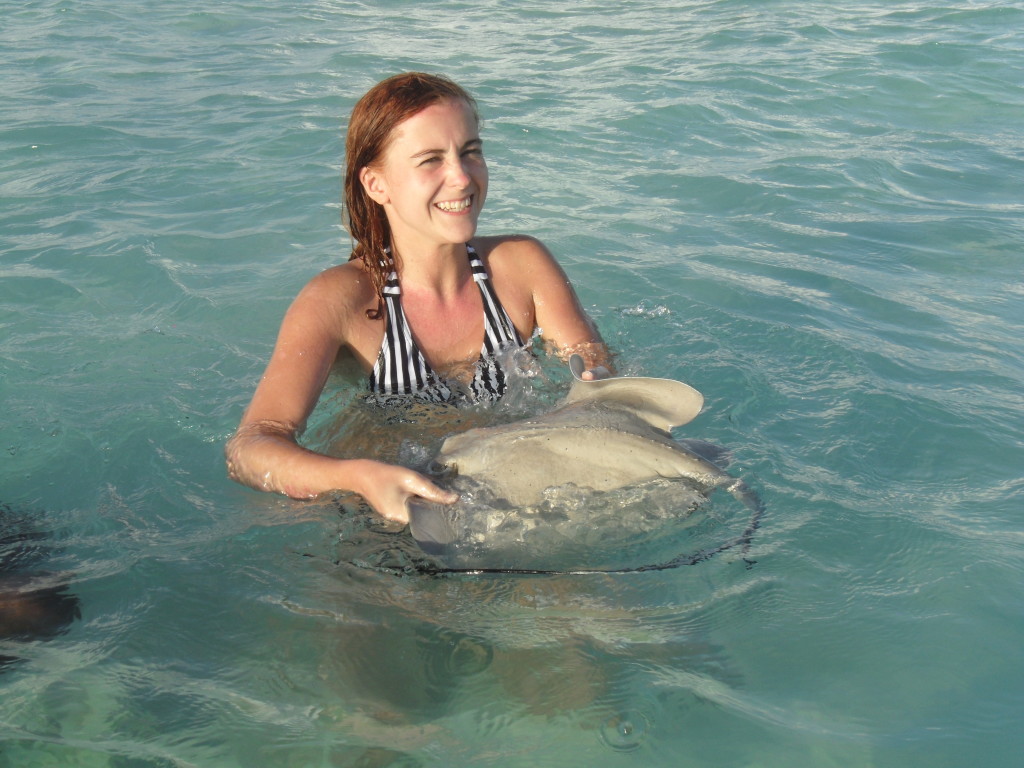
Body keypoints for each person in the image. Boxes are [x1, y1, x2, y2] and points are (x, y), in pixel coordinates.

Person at [226, 72, 610, 523]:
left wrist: (593, 381)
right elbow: (251, 447)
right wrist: (358, 478)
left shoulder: (522, 264)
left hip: (518, 494)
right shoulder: (340, 300)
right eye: (431, 160)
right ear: (376, 184)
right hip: (388, 516)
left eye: (470, 152)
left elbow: (589, 364)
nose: (461, 178)